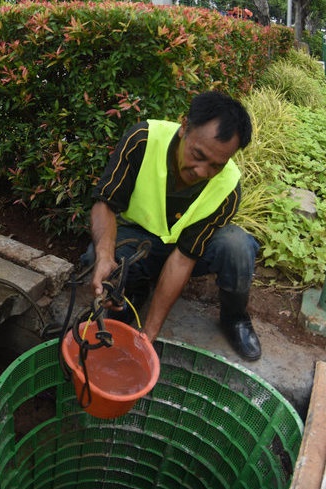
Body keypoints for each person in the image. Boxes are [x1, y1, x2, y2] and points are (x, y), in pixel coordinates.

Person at [81, 91, 261, 361]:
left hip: (187, 251)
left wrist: (148, 337)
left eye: (216, 165)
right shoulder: (142, 140)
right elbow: (105, 203)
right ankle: (135, 287)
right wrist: (106, 255)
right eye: (197, 155)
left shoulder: (228, 188)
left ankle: (234, 318)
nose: (202, 171)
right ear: (184, 127)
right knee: (97, 257)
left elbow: (184, 258)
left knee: (237, 246)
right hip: (138, 239)